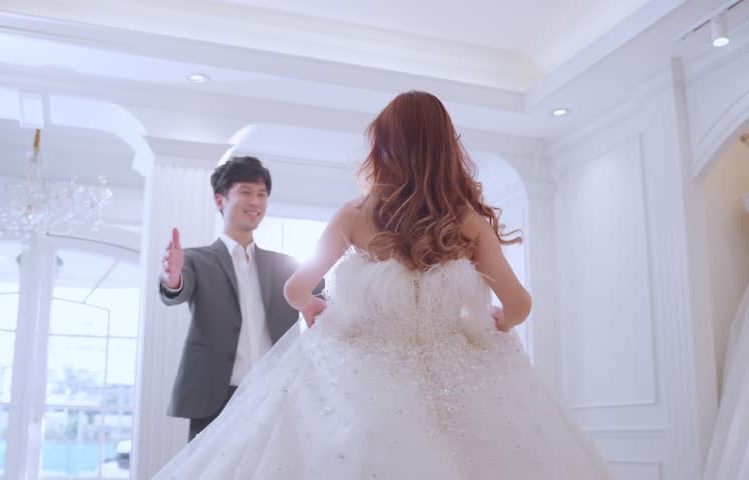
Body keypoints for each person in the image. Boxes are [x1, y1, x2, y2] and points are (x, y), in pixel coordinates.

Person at [154, 92, 615, 478]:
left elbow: (297, 289)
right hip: (463, 377)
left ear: (383, 147)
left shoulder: (356, 216)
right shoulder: (468, 223)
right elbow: (518, 305)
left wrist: (314, 309)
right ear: (445, 149)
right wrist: (495, 320)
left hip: (366, 374)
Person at [159, 156, 323, 441]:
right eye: (246, 192)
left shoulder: (284, 265)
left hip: (274, 392)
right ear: (220, 200)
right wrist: (172, 278)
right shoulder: (196, 259)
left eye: (262, 194)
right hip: (214, 397)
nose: (256, 201)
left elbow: (325, 294)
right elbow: (177, 289)